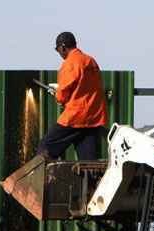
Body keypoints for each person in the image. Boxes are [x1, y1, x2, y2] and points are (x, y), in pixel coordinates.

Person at [37, 32, 107, 160]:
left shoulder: (70, 63)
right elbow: (86, 88)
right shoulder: (90, 61)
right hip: (92, 119)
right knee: (88, 163)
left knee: (45, 147)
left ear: (62, 47)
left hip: (75, 116)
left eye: (58, 50)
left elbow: (62, 96)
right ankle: (90, 180)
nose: (59, 54)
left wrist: (57, 93)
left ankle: (40, 179)